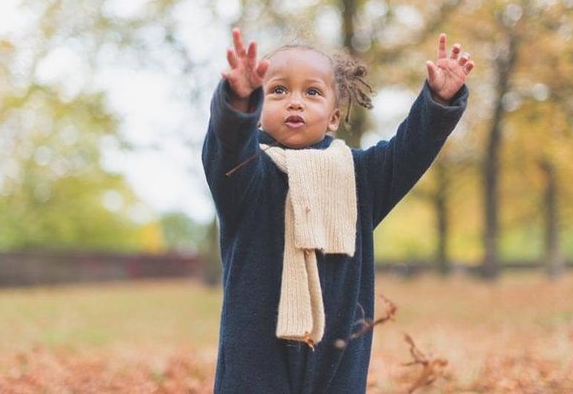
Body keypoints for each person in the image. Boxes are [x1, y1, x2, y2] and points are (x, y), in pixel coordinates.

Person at [202, 28, 474, 394]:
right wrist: (236, 103)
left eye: (312, 92)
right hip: (255, 356)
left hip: (338, 353)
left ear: (333, 117)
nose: (294, 102)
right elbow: (227, 146)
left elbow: (409, 151)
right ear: (259, 110)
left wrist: (439, 103)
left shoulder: (361, 177)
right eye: (278, 90)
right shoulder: (247, 174)